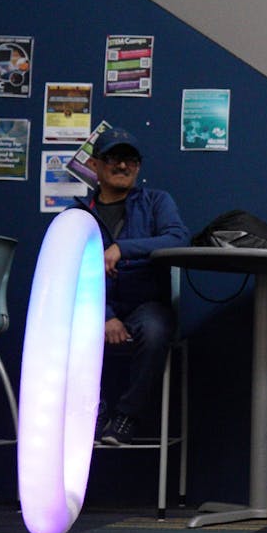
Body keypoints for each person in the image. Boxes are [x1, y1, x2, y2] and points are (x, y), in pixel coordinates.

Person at [72, 128, 190, 446]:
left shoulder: (156, 201)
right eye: (114, 158)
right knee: (62, 331)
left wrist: (123, 249)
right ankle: (93, 413)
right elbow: (70, 272)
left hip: (146, 305)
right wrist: (106, 316)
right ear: (95, 165)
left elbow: (178, 238)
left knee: (154, 330)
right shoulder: (78, 214)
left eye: (130, 160)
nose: (123, 166)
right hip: (93, 306)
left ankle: (127, 416)